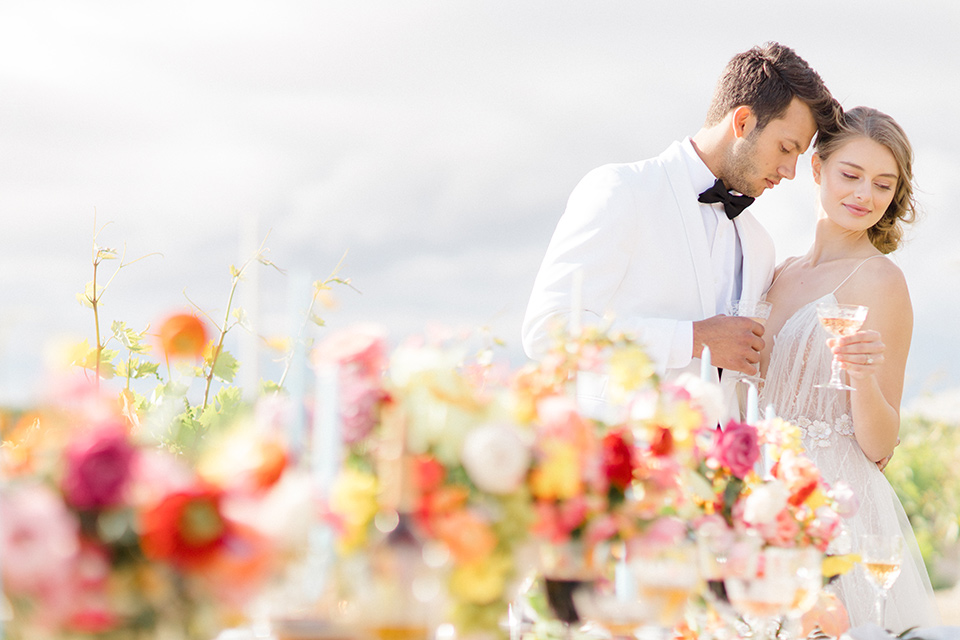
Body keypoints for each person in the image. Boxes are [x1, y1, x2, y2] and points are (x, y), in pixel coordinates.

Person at [521, 42, 839, 419]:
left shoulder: (760, 244)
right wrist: (691, 339)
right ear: (742, 123)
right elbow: (549, 330)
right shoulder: (622, 190)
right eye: (786, 148)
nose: (790, 171)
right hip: (623, 455)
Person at [758, 106, 941, 629]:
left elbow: (881, 445)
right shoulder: (776, 274)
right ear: (817, 168)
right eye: (851, 175)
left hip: (837, 511)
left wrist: (860, 377)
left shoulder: (881, 281)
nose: (864, 195)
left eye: (883, 185)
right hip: (762, 495)